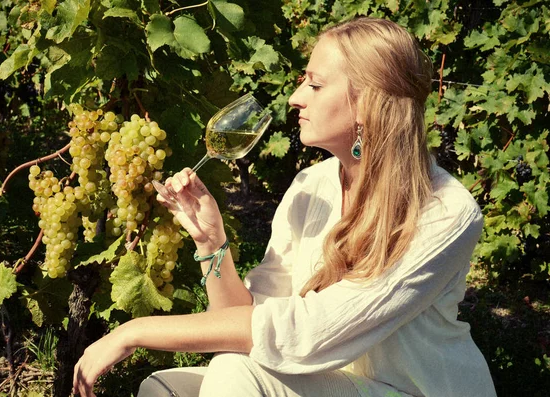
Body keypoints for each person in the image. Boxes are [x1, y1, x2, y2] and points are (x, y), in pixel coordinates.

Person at [72, 17, 497, 397]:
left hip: (411, 389)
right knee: (163, 388)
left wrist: (135, 331)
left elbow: (307, 333)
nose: (295, 97)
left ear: (368, 102)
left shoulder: (445, 212)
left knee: (235, 375)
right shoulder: (312, 186)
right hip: (324, 380)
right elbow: (243, 323)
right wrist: (211, 241)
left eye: (314, 83)